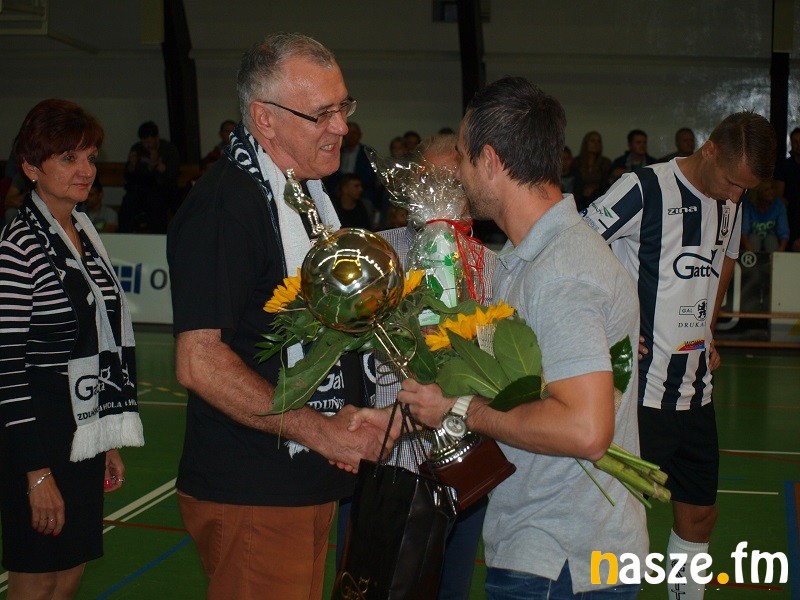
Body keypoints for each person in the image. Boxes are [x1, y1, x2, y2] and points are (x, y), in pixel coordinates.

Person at [352, 78, 647, 598]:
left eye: (464, 159)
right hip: (552, 547)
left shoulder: (560, 272)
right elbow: (520, 391)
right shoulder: (527, 260)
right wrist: (408, 415)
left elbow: (584, 430)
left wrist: (460, 409)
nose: (461, 176)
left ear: (489, 161)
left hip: (563, 561)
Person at [166, 32, 395, 600]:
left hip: (299, 479)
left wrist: (349, 414)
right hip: (254, 488)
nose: (341, 126)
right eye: (321, 113)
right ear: (264, 119)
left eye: (343, 106)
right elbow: (199, 362)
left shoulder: (304, 197)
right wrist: (319, 429)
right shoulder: (226, 206)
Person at [582, 111, 776, 600]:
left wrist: (708, 329)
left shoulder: (730, 199)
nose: (736, 196)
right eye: (733, 182)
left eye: (745, 189)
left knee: (700, 514)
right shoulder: (642, 189)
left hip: (696, 391)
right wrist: (607, 324)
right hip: (639, 396)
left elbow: (725, 257)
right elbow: (575, 248)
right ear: (709, 150)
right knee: (616, 520)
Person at [340, 131, 496, 600]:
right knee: (370, 588)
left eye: (453, 182)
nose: (440, 191)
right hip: (381, 467)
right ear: (410, 184)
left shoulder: (492, 268)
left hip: (463, 471)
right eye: (429, 179)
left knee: (450, 590)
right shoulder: (375, 257)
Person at [0, 99, 144, 599]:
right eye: (68, 158)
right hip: (35, 433)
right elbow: (6, 369)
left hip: (84, 429)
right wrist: (36, 473)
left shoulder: (84, 235)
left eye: (90, 157)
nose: (86, 170)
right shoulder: (17, 246)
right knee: (38, 577)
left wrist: (107, 437)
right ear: (31, 168)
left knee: (70, 575)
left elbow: (101, 342)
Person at [119, 120, 180, 233]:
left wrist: (157, 164)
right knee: (128, 202)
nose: (147, 145)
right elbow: (128, 176)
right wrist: (131, 165)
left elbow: (172, 175)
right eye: (144, 142)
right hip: (141, 189)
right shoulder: (137, 149)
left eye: (150, 141)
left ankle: (158, 236)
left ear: (157, 138)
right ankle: (125, 234)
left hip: (163, 190)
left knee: (156, 203)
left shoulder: (169, 149)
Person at [742, 179, 789, 253]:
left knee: (771, 240)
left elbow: (784, 231)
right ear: (758, 192)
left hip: (771, 239)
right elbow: (744, 230)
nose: (771, 192)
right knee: (754, 238)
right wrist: (748, 248)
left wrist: (780, 252)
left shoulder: (779, 205)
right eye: (767, 190)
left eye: (772, 188)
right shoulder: (749, 205)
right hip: (753, 239)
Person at [569, 130, 612, 211]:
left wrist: (595, 189)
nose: (596, 144)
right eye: (592, 141)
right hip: (578, 200)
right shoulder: (576, 162)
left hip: (598, 200)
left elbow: (607, 182)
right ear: (586, 143)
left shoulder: (605, 163)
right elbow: (573, 182)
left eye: (598, 141)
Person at [775, 127, 800, 249]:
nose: (799, 145)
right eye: (796, 142)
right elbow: (779, 195)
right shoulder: (785, 166)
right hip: (789, 209)